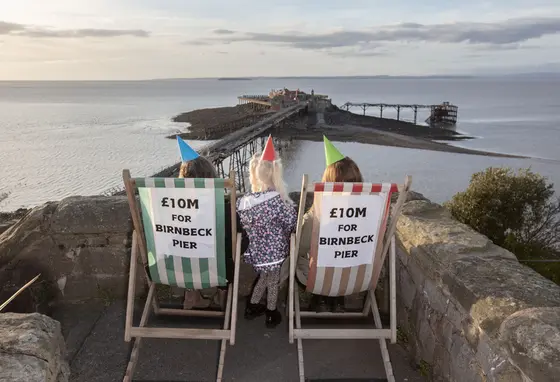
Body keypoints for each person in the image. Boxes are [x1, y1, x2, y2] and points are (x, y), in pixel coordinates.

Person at [288, 136, 363, 313]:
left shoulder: (316, 217)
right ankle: (338, 301)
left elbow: (300, 248)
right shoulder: (367, 215)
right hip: (355, 277)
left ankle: (320, 298)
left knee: (301, 252)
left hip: (316, 279)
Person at [176, 137, 249, 308]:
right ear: (212, 178)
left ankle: (191, 296)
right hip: (218, 271)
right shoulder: (225, 210)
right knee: (231, 248)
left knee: (184, 248)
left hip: (175, 269)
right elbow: (241, 243)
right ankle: (222, 295)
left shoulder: (170, 212)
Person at [237, 136, 297, 328]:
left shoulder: (246, 201)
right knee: (272, 281)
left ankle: (252, 306)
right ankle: (271, 312)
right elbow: (291, 223)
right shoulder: (279, 201)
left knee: (264, 277)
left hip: (257, 252)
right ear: (276, 174)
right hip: (275, 252)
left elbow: (243, 223)